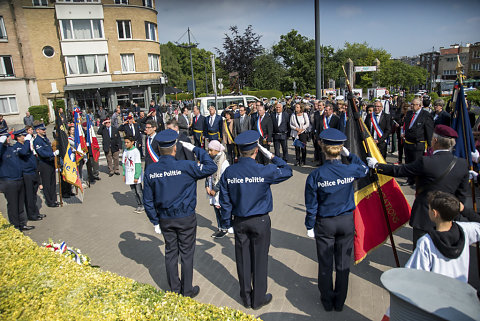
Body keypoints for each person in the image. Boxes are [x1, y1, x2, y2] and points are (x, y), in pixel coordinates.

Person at [219, 130, 293, 309]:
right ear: (256, 151)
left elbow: (225, 200)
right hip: (260, 221)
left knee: (243, 260)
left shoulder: (229, 172)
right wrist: (272, 156)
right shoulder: (264, 170)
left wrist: (227, 223)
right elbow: (287, 170)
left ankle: (246, 297)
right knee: (260, 259)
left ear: (239, 151)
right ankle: (258, 299)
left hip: (240, 221)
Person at [367, 125, 470, 248]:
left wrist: (377, 166)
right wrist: (454, 215)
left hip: (425, 216)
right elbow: (462, 196)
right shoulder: (462, 164)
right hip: (448, 218)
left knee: (421, 255)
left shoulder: (426, 162)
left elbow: (401, 170)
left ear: (435, 140)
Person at [143, 129, 217, 298]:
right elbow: (211, 166)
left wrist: (154, 221)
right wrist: (195, 149)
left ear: (158, 149)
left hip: (165, 219)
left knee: (170, 253)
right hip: (185, 218)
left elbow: (147, 200)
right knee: (187, 254)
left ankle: (174, 289)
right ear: (175, 148)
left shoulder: (151, 170)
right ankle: (187, 290)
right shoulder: (186, 166)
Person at [304, 128, 368, 312]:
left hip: (325, 223)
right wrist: (351, 155)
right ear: (341, 149)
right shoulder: (350, 169)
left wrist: (309, 225)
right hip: (346, 221)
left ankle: (327, 301)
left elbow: (311, 204)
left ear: (322, 148)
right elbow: (364, 168)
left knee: (325, 264)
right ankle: (340, 302)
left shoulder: (315, 175)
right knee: (342, 264)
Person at [405, 191, 480, 283]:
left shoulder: (426, 242)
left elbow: (415, 274)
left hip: (435, 292)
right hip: (461, 291)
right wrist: (464, 210)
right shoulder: (466, 230)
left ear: (434, 213)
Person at [0, 128, 34, 231]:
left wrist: (27, 141)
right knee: (13, 205)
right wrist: (0, 143)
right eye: (5, 137)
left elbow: (23, 151)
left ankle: (22, 224)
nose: (8, 138)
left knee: (20, 204)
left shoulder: (11, 147)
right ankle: (15, 227)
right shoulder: (1, 149)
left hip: (19, 179)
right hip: (8, 181)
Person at [14, 128, 44, 221]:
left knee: (34, 195)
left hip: (32, 172)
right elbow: (23, 152)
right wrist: (27, 141)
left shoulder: (25, 145)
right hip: (26, 174)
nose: (24, 137)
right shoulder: (17, 146)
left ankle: (35, 212)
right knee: (29, 196)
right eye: (22, 136)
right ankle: (31, 215)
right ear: (18, 138)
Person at [402, 98, 434, 186]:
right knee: (408, 162)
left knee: (416, 163)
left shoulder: (426, 115)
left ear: (419, 106)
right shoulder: (409, 113)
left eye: (413, 105)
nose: (411, 106)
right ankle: (410, 179)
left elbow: (429, 130)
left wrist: (429, 144)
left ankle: (417, 180)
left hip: (418, 143)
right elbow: (405, 125)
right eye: (411, 104)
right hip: (408, 142)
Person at [205, 140, 231, 239]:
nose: (209, 152)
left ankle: (225, 228)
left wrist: (215, 189)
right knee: (216, 209)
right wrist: (207, 185)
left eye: (211, 150)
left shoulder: (224, 162)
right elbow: (208, 173)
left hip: (220, 190)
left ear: (216, 150)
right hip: (211, 188)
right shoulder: (212, 159)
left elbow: (224, 178)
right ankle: (220, 227)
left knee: (221, 209)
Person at [33, 122, 59, 207]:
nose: (44, 131)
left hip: (50, 162)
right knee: (47, 183)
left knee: (52, 182)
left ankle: (54, 199)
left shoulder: (45, 138)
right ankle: (50, 201)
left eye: (44, 129)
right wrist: (53, 154)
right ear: (37, 130)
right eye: (42, 129)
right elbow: (42, 153)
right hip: (44, 164)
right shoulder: (37, 141)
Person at [122, 136, 144, 213]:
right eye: (125, 142)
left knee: (139, 191)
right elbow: (124, 163)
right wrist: (124, 174)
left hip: (135, 175)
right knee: (134, 192)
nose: (126, 144)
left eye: (127, 142)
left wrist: (136, 176)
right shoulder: (125, 151)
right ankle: (139, 204)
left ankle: (143, 204)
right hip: (129, 175)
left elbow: (138, 164)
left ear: (132, 142)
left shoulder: (135, 151)